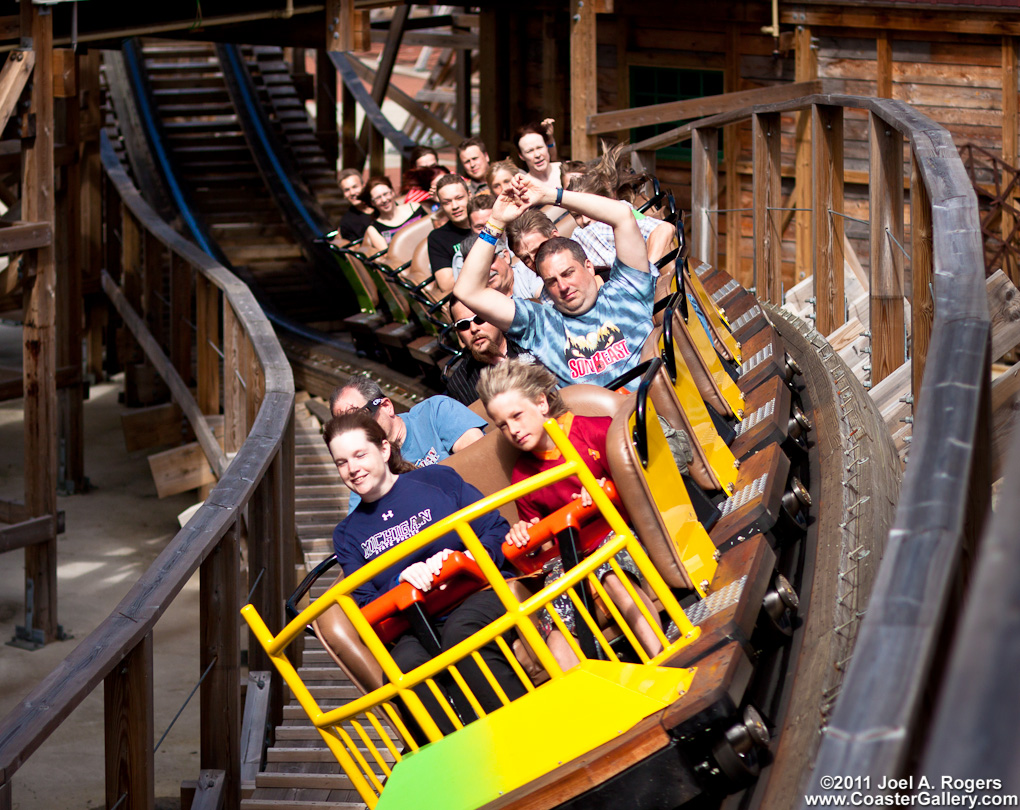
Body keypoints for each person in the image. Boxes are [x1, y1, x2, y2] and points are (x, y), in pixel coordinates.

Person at [326, 411, 526, 735]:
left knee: (463, 632)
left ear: (384, 450)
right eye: (341, 462)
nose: (352, 468)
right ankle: (457, 760)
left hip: (474, 592)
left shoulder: (436, 481)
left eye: (359, 454)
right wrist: (399, 582)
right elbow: (364, 601)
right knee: (405, 668)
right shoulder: (347, 534)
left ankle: (518, 730)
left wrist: (462, 556)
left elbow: (494, 528)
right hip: (414, 622)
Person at [476, 359, 662, 669]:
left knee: (613, 576)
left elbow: (640, 485)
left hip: (614, 537)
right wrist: (527, 534)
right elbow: (543, 550)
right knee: (555, 628)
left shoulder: (594, 432)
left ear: (541, 402)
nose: (513, 430)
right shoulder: (523, 476)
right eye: (502, 425)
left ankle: (662, 656)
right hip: (568, 561)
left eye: (517, 416)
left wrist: (607, 487)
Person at [454, 174, 655, 388]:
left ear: (588, 266)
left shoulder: (626, 289)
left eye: (568, 273)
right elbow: (467, 291)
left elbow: (622, 215)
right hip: (596, 418)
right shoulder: (540, 323)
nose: (563, 286)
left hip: (653, 409)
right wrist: (496, 222)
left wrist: (550, 195)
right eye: (551, 281)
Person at [329, 376, 485, 510]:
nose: (356, 430)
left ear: (386, 406)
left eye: (360, 416)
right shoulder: (364, 467)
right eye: (347, 426)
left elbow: (481, 460)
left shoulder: (435, 412)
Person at [444, 297, 531, 406]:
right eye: (463, 324)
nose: (474, 328)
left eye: (479, 318)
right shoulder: (460, 384)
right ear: (458, 334)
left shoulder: (531, 343)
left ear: (495, 316)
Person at [429, 175, 473, 293]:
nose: (455, 206)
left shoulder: (488, 223)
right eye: (447, 202)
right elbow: (446, 285)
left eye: (459, 198)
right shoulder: (438, 238)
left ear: (470, 195)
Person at [361, 176, 426, 250]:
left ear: (392, 192)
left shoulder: (414, 208)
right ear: (372, 203)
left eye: (385, 194)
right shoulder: (374, 229)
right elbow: (389, 258)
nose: (384, 200)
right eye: (378, 198)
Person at [516, 120, 561, 188]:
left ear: (546, 146)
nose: (537, 155)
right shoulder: (524, 187)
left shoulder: (566, 171)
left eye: (539, 147)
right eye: (529, 151)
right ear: (521, 156)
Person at [334, 169, 375, 243]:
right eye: (347, 190)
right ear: (343, 195)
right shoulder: (347, 222)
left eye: (355, 187)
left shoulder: (380, 204)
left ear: (363, 186)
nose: (352, 193)